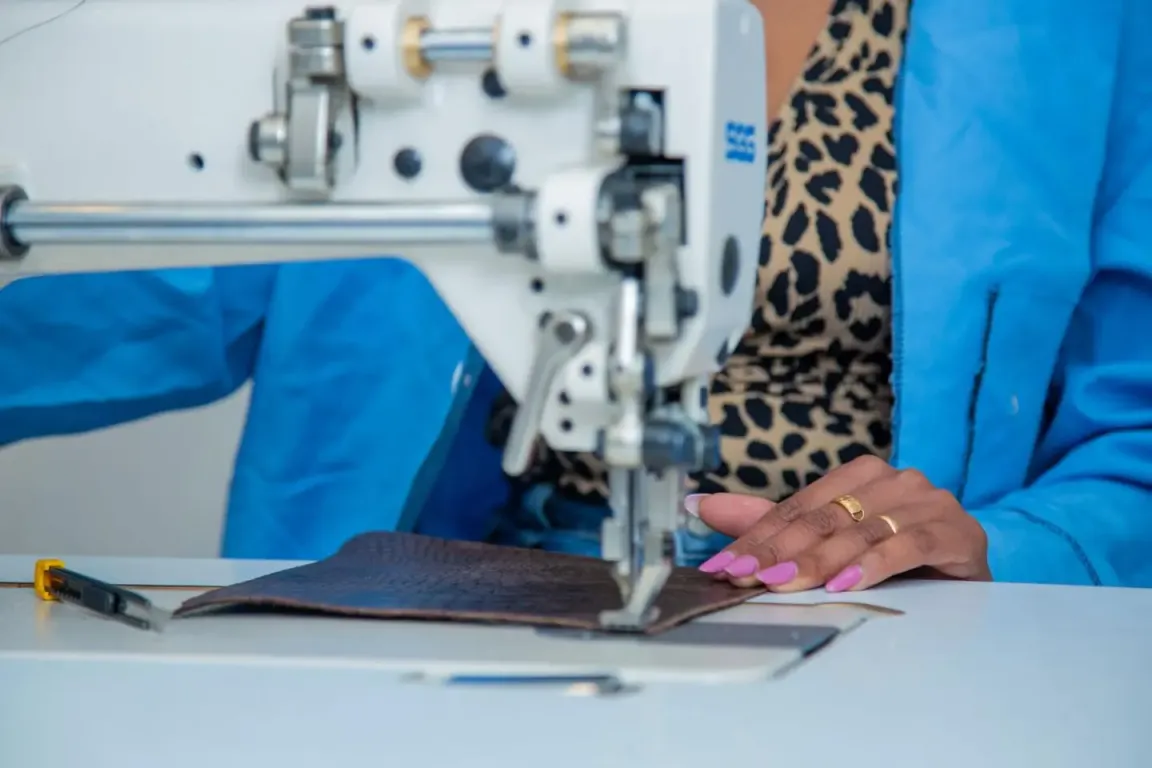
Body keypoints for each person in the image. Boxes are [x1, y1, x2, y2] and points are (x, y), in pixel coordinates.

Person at [3, 0, 1152, 593]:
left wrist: (1006, 546)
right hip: (466, 601)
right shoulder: (433, 21)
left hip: (897, 624)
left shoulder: (1083, 32)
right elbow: (190, 267)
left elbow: (1136, 435)